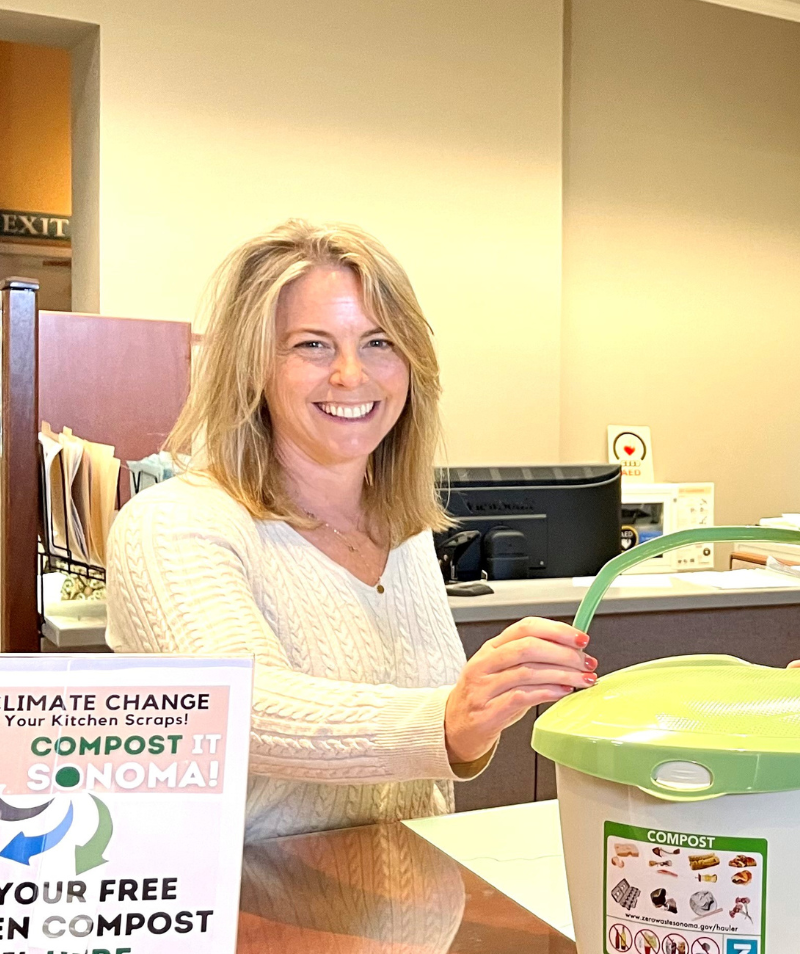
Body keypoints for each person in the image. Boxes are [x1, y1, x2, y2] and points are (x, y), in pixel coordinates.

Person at [107, 221, 595, 842]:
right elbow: (239, 715)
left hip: (407, 913)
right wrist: (444, 720)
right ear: (254, 366)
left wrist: (473, 725)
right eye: (312, 345)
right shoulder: (173, 524)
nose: (349, 374)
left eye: (378, 343)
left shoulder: (402, 532)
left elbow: (422, 767)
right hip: (251, 918)